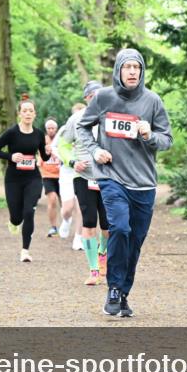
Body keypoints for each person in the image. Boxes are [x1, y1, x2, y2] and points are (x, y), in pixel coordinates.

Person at [76, 49, 172, 317]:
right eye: (127, 67)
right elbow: (82, 127)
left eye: (136, 67)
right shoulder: (104, 97)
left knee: (135, 241)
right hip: (111, 177)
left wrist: (149, 134)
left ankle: (124, 293)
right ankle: (114, 289)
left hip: (143, 183)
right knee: (119, 228)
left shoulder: (152, 101)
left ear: (141, 71)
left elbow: (167, 139)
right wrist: (95, 151)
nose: (132, 72)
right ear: (118, 70)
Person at [58, 82, 110, 286]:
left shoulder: (110, 117)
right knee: (89, 223)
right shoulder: (76, 119)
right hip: (84, 177)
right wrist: (73, 162)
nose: (99, 99)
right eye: (94, 96)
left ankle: (103, 253)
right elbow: (62, 145)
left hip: (108, 178)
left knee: (108, 227)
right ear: (87, 98)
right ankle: (94, 270)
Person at [0, 95, 49, 263]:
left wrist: (48, 151)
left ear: (35, 114)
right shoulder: (12, 132)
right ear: (19, 114)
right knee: (17, 217)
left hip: (33, 178)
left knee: (29, 211)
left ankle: (25, 250)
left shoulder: (38, 134)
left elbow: (43, 156)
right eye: (25, 111)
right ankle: (13, 221)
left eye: (31, 111)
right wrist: (10, 156)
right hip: (13, 179)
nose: (28, 113)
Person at [53, 104, 86, 249]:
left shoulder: (89, 128)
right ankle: (66, 220)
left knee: (82, 206)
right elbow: (55, 147)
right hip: (67, 171)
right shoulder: (64, 129)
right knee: (68, 207)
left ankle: (78, 237)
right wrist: (63, 158)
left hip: (84, 172)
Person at [40, 118, 62, 237]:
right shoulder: (42, 140)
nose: (51, 130)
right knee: (52, 199)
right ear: (46, 129)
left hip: (61, 175)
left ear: (56, 129)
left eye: (53, 128)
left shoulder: (61, 139)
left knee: (65, 203)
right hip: (47, 175)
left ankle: (65, 224)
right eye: (49, 128)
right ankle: (53, 227)